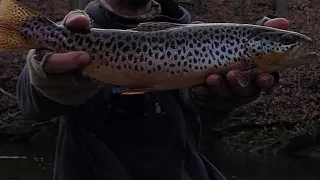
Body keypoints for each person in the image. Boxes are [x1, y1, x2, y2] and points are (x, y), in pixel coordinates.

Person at [16, 0, 290, 180]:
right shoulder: (81, 29)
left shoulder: (199, 34)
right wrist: (44, 76)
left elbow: (199, 107)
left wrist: (218, 100)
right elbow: (30, 105)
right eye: (288, 42)